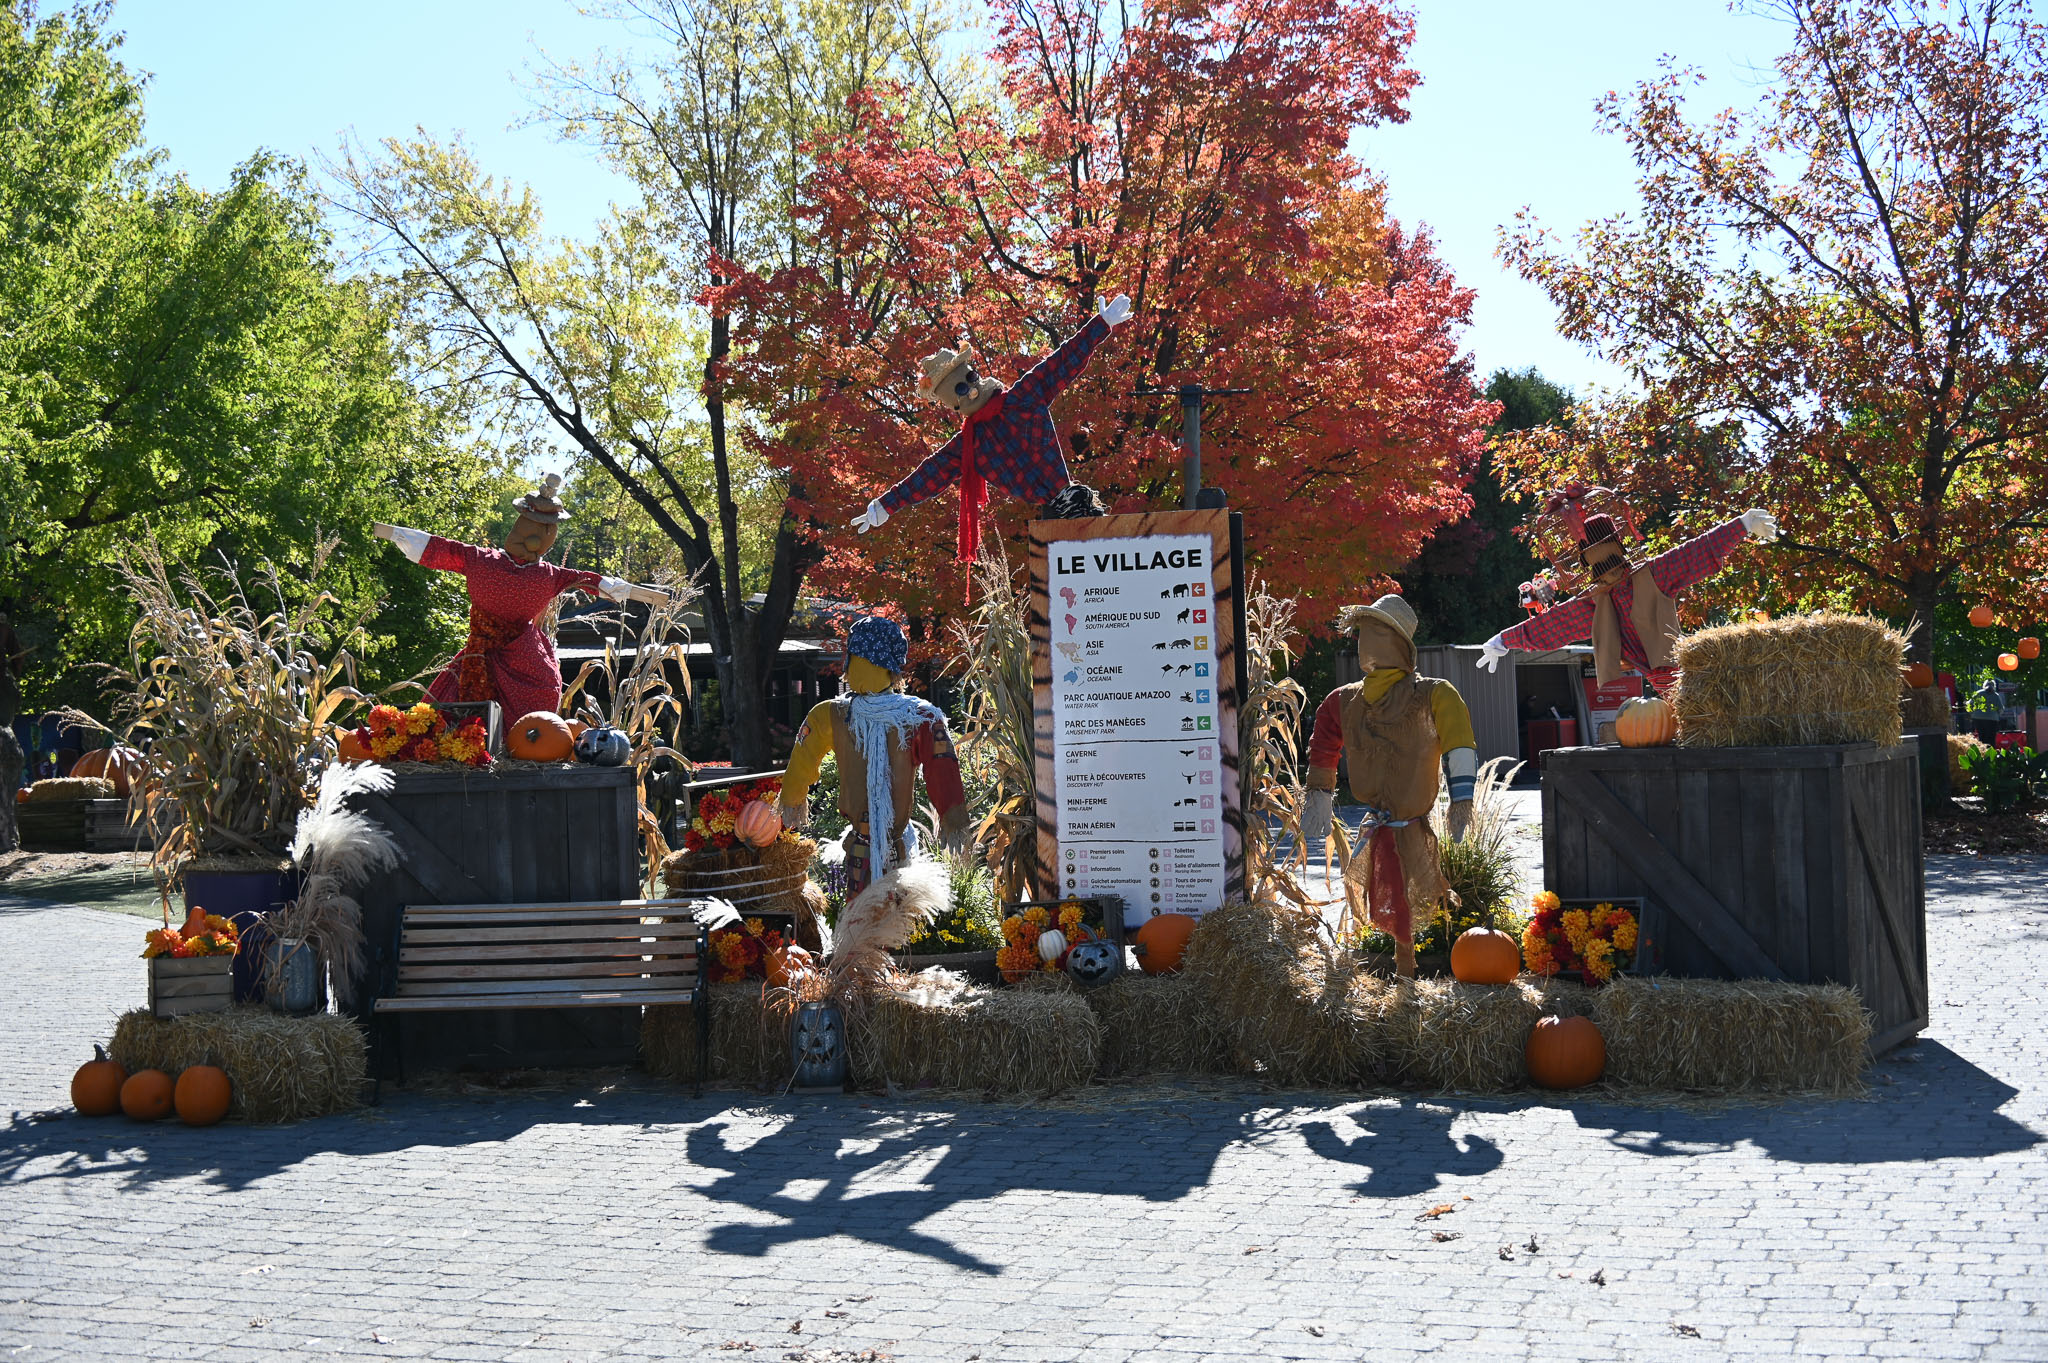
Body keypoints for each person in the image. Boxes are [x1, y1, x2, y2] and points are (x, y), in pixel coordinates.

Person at [850, 296, 1133, 562]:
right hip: (1053, 522)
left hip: (1072, 505)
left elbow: (1060, 364)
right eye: (962, 390)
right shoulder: (970, 445)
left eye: (971, 378)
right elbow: (930, 474)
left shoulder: (1022, 398)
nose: (972, 389)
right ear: (954, 403)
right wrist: (885, 505)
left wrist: (1101, 324)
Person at [373, 474, 670, 719]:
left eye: (542, 532)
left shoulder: (544, 574)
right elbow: (443, 548)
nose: (533, 540)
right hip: (490, 650)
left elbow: (591, 581)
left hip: (521, 652)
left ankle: (519, 743)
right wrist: (396, 534)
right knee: (459, 707)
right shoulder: (484, 561)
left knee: (539, 696)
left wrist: (634, 591)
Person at [1299, 595, 1478, 979]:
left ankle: (1406, 974)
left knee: (1407, 899)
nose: (1370, 641)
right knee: (1390, 897)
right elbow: (1324, 742)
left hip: (1409, 823)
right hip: (1378, 823)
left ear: (1399, 642)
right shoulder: (1343, 701)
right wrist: (1319, 794)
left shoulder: (1434, 694)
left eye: (1379, 632)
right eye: (1366, 632)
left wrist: (1462, 799)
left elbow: (1459, 742)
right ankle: (1402, 974)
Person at [1479, 508, 1779, 692]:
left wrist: (1741, 525)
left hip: (1680, 674)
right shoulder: (1596, 601)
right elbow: (1552, 627)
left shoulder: (1647, 577)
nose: (1603, 561)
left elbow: (1696, 552)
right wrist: (1504, 640)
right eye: (1595, 553)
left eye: (1604, 550)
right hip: (1665, 680)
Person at [779, 616, 969, 896]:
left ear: (851, 659)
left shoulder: (830, 714)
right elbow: (943, 768)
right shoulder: (920, 716)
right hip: (897, 845)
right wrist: (953, 817)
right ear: (893, 665)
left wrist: (792, 799)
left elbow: (801, 760)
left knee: (860, 912)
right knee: (899, 913)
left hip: (859, 845)